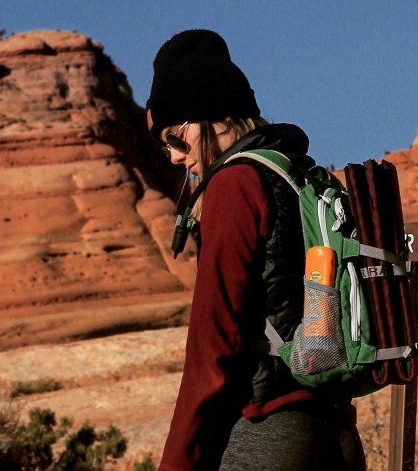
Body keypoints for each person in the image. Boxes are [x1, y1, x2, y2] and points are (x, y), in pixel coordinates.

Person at [146, 29, 366, 471]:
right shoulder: (294, 173)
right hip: (337, 434)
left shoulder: (234, 185)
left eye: (174, 137)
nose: (173, 156)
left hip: (270, 434)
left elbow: (212, 348)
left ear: (208, 117)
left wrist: (177, 463)